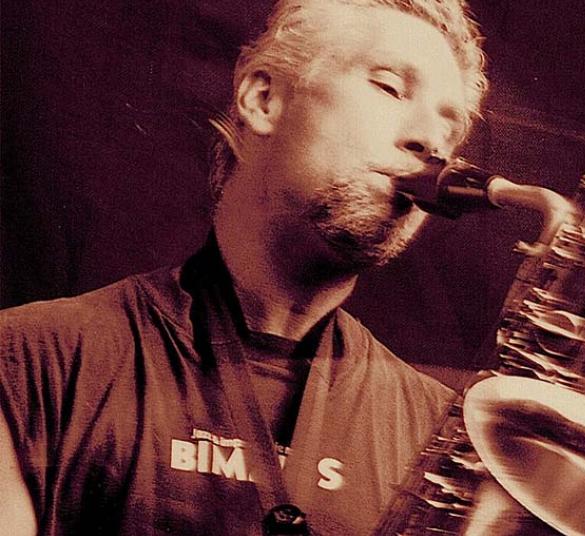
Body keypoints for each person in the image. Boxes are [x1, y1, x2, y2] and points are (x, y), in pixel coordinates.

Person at [0, 0, 488, 534]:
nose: (431, 144)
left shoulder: (444, 441)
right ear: (263, 99)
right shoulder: (31, 357)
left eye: (450, 132)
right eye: (390, 88)